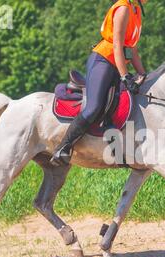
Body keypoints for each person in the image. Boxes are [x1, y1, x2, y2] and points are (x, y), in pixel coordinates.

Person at [51, 0, 148, 166]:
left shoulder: (136, 10)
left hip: (117, 64)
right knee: (94, 107)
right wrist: (125, 76)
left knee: (117, 105)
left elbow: (133, 50)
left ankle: (117, 152)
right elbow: (117, 46)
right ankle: (63, 148)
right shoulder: (123, 8)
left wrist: (143, 74)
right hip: (103, 61)